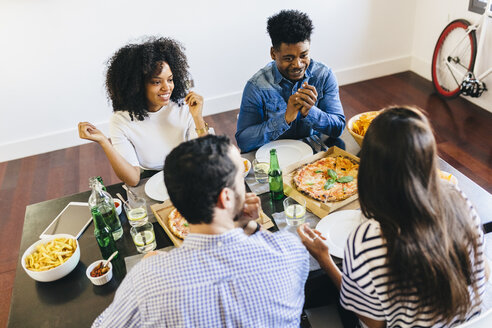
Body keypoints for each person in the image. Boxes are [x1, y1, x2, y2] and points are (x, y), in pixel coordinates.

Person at [298, 106, 489, 327]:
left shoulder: (366, 238)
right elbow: (484, 272)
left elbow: (373, 323)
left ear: (370, 169)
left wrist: (324, 259)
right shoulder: (460, 200)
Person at [92, 135, 310, 327]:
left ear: (176, 204)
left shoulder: (146, 281)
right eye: (240, 179)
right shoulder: (290, 251)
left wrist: (150, 268)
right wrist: (251, 227)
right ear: (226, 198)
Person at [78, 37, 209, 186]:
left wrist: (198, 118)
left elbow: (206, 157)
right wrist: (104, 142)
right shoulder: (121, 120)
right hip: (152, 180)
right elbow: (133, 179)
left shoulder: (184, 105)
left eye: (170, 79)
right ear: (138, 85)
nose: (167, 88)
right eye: (157, 82)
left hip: (190, 172)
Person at [235, 10, 345, 153]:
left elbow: (338, 128)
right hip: (273, 155)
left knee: (339, 144)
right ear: (273, 53)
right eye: (289, 58)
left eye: (304, 55)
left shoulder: (324, 75)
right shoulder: (257, 86)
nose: (298, 65)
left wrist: (310, 112)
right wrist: (285, 118)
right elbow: (244, 142)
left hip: (314, 154)